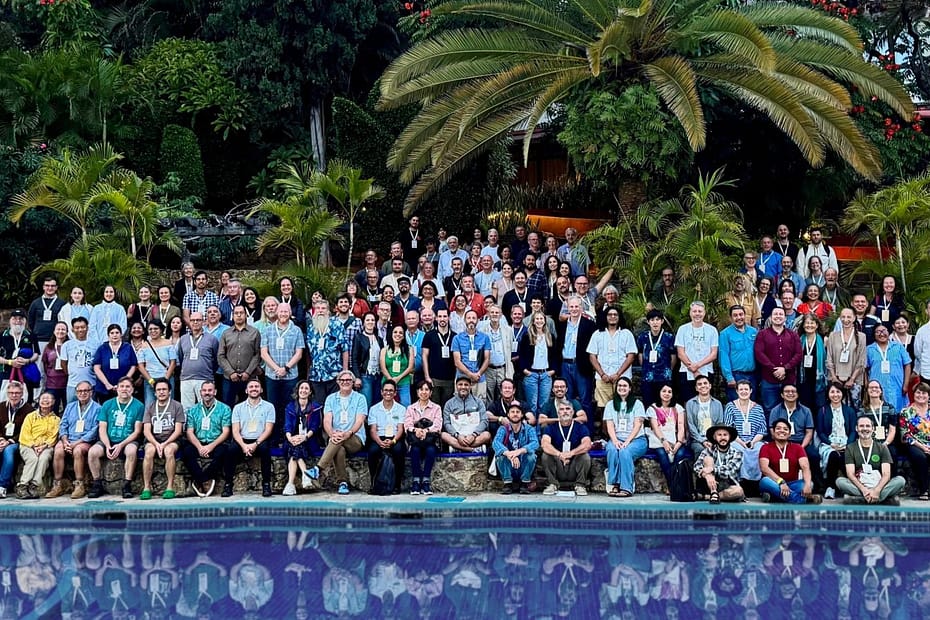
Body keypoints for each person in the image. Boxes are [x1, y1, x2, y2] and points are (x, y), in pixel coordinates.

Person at [306, 370, 368, 495]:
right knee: (339, 449)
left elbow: (360, 420)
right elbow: (327, 421)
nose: (345, 382)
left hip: (354, 437)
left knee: (339, 441)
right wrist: (332, 434)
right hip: (336, 437)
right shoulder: (331, 398)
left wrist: (348, 433)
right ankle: (343, 483)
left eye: (348, 380)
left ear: (353, 382)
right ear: (338, 382)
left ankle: (318, 468)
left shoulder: (360, 398)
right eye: (342, 380)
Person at [87, 376, 145, 499]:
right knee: (92, 452)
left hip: (128, 439)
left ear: (133, 389)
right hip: (108, 439)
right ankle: (97, 483)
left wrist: (120, 445)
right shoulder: (108, 404)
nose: (124, 389)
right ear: (117, 389)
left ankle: (127, 484)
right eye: (122, 386)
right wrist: (108, 446)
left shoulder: (139, 406)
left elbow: (137, 431)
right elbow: (102, 428)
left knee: (131, 451)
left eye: (128, 386)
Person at [180, 381, 235, 497]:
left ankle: (201, 479)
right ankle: (205, 479)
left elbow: (226, 432)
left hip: (216, 443)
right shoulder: (193, 410)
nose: (207, 393)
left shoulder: (224, 409)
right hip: (198, 443)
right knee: (186, 452)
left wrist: (210, 446)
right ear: (200, 393)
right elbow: (189, 432)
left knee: (224, 452)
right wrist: (200, 447)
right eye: (204, 390)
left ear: (215, 392)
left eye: (210, 390)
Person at [45, 380, 99, 499]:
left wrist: (77, 443)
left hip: (84, 441)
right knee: (58, 449)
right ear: (76, 393)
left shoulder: (97, 408)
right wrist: (64, 440)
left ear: (91, 392)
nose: (82, 393)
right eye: (80, 391)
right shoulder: (70, 406)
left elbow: (95, 429)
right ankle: (57, 484)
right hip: (68, 439)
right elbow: (63, 424)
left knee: (78, 451)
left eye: (86, 391)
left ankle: (79, 485)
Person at [836, 414, 905, 504]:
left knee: (900, 480)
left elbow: (886, 474)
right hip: (860, 485)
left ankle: (864, 498)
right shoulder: (850, 448)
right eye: (861, 426)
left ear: (873, 429)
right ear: (856, 428)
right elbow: (850, 474)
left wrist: (876, 490)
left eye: (868, 426)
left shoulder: (882, 448)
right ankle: (878, 498)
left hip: (878, 484)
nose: (865, 429)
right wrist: (864, 490)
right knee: (840, 481)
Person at [260, 303, 304, 442]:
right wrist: (276, 368)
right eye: (281, 311)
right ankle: (273, 436)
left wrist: (285, 368)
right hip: (271, 375)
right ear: (277, 313)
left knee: (290, 406)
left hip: (290, 375)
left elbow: (299, 353)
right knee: (273, 406)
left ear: (290, 312)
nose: (283, 314)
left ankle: (288, 435)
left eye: (286, 311)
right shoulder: (268, 330)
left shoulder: (296, 330)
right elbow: (263, 352)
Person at [587, 307, 637, 421]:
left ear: (619, 317)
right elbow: (592, 356)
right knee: (604, 409)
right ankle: (606, 435)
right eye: (610, 314)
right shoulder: (598, 334)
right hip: (602, 377)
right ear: (605, 317)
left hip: (622, 378)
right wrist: (602, 374)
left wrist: (618, 374)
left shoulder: (626, 333)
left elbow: (631, 356)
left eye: (615, 314)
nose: (612, 317)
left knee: (622, 406)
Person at [139, 378, 185, 500]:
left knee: (169, 451)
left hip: (172, 439)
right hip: (153, 439)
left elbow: (178, 430)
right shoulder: (150, 407)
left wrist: (164, 444)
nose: (161, 392)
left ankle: (170, 487)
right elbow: (146, 430)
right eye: (158, 390)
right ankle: (146, 487)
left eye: (164, 389)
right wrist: (156, 443)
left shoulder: (177, 406)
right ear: (154, 393)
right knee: (148, 452)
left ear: (170, 391)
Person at [758, 418, 822, 504]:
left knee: (809, 484)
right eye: (778, 428)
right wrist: (781, 482)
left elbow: (805, 467)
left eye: (785, 429)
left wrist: (807, 485)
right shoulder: (766, 447)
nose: (782, 431)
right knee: (765, 481)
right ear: (773, 432)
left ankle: (775, 497)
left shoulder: (797, 448)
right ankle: (803, 500)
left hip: (792, 484)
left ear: (789, 434)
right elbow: (764, 468)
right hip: (773, 482)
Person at [603, 377, 648, 498]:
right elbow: (610, 426)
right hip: (617, 438)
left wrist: (627, 441)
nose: (622, 388)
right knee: (612, 449)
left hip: (636, 440)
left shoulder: (637, 404)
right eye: (619, 386)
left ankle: (627, 487)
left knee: (624, 452)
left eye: (625, 386)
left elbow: (638, 425)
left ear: (630, 388)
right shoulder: (610, 405)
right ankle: (614, 483)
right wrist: (615, 440)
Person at [231, 378, 276, 497]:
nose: (254, 389)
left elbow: (268, 429)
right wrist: (244, 446)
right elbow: (235, 431)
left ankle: (266, 485)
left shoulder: (269, 407)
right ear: (246, 390)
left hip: (260, 439)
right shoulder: (238, 407)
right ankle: (228, 485)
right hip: (243, 439)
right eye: (251, 387)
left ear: (261, 390)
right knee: (230, 450)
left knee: (265, 450)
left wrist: (255, 444)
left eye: (256, 386)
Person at [556, 296, 597, 426]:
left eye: (576, 306)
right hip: (564, 365)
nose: (574, 309)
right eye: (571, 306)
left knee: (585, 400)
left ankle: (587, 433)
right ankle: (570, 430)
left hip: (581, 365)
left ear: (581, 308)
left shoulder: (589, 325)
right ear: (568, 308)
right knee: (567, 400)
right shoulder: (562, 325)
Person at [754, 306, 802, 413]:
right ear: (771, 318)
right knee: (769, 409)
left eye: (781, 314)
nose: (778, 317)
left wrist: (785, 368)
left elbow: (798, 354)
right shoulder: (762, 334)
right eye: (775, 314)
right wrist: (774, 369)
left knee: (789, 409)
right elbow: (759, 353)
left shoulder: (793, 335)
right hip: (768, 379)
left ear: (785, 318)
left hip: (788, 379)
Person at [540, 400, 592, 496]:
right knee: (546, 455)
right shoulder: (550, 427)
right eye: (562, 409)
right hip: (558, 464)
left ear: (573, 412)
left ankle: (580, 485)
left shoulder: (581, 427)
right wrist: (559, 454)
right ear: (558, 413)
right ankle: (553, 484)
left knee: (585, 456)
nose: (565, 411)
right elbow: (545, 444)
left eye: (568, 409)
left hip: (573, 464)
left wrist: (571, 453)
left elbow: (587, 444)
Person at [816, 382, 857, 500]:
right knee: (833, 456)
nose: (835, 395)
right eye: (832, 392)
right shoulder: (822, 410)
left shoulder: (849, 411)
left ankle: (849, 487)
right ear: (828, 394)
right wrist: (831, 445)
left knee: (845, 457)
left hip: (846, 443)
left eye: (838, 392)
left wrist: (848, 445)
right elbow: (820, 431)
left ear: (842, 394)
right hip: (829, 443)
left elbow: (853, 431)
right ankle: (830, 487)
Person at [723, 379, 767, 491]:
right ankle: (742, 483)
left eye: (746, 389)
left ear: (751, 391)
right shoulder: (730, 406)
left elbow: (762, 430)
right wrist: (742, 442)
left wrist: (752, 442)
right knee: (739, 450)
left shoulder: (758, 408)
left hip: (754, 440)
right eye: (741, 389)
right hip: (736, 439)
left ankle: (756, 483)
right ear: (737, 391)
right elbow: (729, 429)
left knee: (759, 449)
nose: (744, 391)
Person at [13, 391, 57, 499]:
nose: (45, 400)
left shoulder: (56, 419)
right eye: (43, 398)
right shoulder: (30, 416)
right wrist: (34, 446)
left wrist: (43, 446)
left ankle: (34, 485)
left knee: (44, 458)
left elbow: (54, 436)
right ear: (38, 401)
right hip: (28, 444)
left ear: (53, 402)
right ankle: (22, 486)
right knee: (32, 458)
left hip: (46, 446)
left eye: (48, 398)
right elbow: (24, 434)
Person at [644, 384, 689, 487]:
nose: (667, 394)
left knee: (680, 454)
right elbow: (655, 428)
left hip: (676, 439)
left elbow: (681, 426)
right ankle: (672, 484)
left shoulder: (678, 408)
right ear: (659, 393)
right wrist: (664, 441)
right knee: (662, 455)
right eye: (664, 391)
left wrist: (679, 442)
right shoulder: (653, 408)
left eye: (669, 391)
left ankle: (675, 483)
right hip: (659, 440)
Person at [282, 380, 321, 495]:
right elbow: (287, 425)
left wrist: (304, 437)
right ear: (297, 391)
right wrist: (289, 437)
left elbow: (315, 427)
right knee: (294, 446)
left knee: (295, 448)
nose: (303, 390)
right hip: (292, 439)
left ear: (310, 392)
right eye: (301, 388)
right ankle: (306, 475)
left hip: (310, 440)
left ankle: (290, 484)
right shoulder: (290, 407)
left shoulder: (316, 407)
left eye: (306, 389)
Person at [367, 379, 406, 495]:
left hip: (395, 437)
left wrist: (393, 441)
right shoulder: (374, 409)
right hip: (379, 437)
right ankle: (373, 483)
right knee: (372, 451)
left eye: (391, 391)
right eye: (385, 390)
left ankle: (397, 485)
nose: (388, 393)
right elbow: (373, 430)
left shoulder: (401, 409)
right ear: (381, 392)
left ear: (395, 393)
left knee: (399, 451)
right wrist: (380, 442)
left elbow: (400, 429)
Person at [306, 299, 350, 403]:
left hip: (334, 374)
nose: (320, 311)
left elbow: (345, 350)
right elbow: (308, 353)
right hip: (316, 375)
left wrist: (345, 371)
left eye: (323, 308)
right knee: (318, 406)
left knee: (334, 405)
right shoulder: (311, 328)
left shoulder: (337, 326)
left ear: (328, 311)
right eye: (318, 308)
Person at [217, 306, 261, 407]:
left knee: (249, 405)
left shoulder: (254, 332)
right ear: (233, 316)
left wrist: (248, 372)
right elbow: (221, 355)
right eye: (236, 313)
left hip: (249, 377)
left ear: (245, 315)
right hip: (229, 377)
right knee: (227, 406)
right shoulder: (226, 333)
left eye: (241, 313)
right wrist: (231, 372)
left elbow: (257, 354)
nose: (239, 315)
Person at [674, 301, 718, 403]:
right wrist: (692, 368)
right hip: (686, 371)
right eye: (694, 311)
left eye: (700, 311)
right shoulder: (683, 329)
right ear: (690, 313)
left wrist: (697, 366)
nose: (697, 314)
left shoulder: (712, 330)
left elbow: (713, 354)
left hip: (706, 371)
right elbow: (680, 353)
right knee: (687, 402)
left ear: (704, 313)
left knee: (706, 401)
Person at [405, 380, 442, 495]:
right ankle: (416, 481)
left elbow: (438, 424)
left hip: (430, 440)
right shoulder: (411, 408)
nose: (424, 392)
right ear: (417, 392)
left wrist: (426, 431)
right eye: (421, 389)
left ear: (431, 393)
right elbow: (407, 424)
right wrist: (416, 430)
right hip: (415, 440)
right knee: (415, 450)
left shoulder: (436, 408)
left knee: (430, 450)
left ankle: (426, 481)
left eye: (427, 390)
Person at [493, 401, 538, 495]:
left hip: (523, 464)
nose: (515, 414)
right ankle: (507, 483)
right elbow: (495, 443)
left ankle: (524, 482)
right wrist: (509, 454)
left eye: (518, 412)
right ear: (508, 415)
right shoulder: (503, 428)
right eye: (512, 412)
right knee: (500, 456)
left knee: (532, 456)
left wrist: (519, 451)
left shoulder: (529, 428)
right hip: (509, 465)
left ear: (522, 415)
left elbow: (535, 443)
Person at [177, 312, 219, 411]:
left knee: (205, 406)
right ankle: (189, 427)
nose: (195, 322)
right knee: (187, 409)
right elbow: (180, 357)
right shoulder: (183, 339)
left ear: (203, 322)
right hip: (186, 378)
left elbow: (216, 359)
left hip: (205, 378)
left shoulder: (212, 339)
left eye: (198, 320)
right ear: (189, 322)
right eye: (192, 320)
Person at [826, 307, 867, 407]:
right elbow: (829, 358)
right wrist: (834, 377)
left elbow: (861, 360)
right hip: (836, 379)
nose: (846, 320)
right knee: (837, 407)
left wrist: (852, 379)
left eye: (849, 317)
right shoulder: (833, 335)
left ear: (854, 318)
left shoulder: (861, 336)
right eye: (843, 317)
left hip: (854, 380)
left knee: (854, 409)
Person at [866, 324, 912, 411]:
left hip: (897, 387)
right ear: (874, 335)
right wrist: (867, 385)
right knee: (879, 413)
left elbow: (907, 364)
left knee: (898, 412)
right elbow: (864, 369)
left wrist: (905, 384)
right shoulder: (869, 349)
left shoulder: (898, 347)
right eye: (878, 332)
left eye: (884, 330)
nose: (881, 334)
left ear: (888, 332)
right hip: (877, 388)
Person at [694, 424, 744, 503]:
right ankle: (713, 491)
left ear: (729, 437)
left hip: (727, 485)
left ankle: (708, 496)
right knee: (708, 459)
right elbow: (696, 466)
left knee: (739, 491)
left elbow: (730, 470)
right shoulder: (708, 450)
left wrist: (712, 469)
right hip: (708, 483)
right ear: (714, 437)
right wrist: (706, 475)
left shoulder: (737, 453)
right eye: (719, 435)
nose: (722, 438)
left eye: (725, 435)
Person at [637, 309, 677, 408]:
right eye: (652, 320)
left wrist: (667, 369)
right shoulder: (643, 337)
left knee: (664, 404)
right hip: (648, 377)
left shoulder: (669, 337)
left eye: (657, 319)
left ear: (662, 321)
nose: (655, 322)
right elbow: (640, 355)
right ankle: (651, 424)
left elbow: (673, 357)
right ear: (648, 322)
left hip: (664, 376)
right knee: (649, 405)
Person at [718, 305, 758, 403]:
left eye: (741, 314)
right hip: (736, 376)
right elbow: (724, 356)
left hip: (753, 375)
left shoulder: (753, 331)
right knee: (736, 406)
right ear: (731, 318)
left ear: (745, 315)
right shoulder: (725, 334)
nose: (739, 317)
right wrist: (729, 377)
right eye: (735, 315)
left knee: (751, 405)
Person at [441, 376, 491, 453]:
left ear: (470, 386)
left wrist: (474, 435)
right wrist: (457, 436)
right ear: (456, 386)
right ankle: (473, 449)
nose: (463, 387)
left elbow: (484, 421)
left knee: (487, 435)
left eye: (466, 385)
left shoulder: (478, 402)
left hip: (474, 436)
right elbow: (447, 423)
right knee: (443, 435)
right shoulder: (449, 404)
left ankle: (457, 448)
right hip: (457, 436)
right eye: (460, 384)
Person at [0, 309, 40, 403]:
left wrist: (27, 361)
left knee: (26, 400)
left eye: (20, 319)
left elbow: (36, 354)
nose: (18, 321)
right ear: (10, 320)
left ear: (25, 321)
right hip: (6, 372)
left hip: (26, 372)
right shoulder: (2, 335)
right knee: (4, 400)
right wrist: (10, 362)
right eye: (15, 318)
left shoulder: (30, 335)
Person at [899, 382, 930, 501]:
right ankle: (924, 490)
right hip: (914, 444)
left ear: (928, 396)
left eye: (924, 393)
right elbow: (905, 435)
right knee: (920, 457)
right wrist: (923, 447)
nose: (920, 395)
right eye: (918, 392)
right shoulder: (906, 412)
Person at [92, 324, 137, 403]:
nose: (114, 335)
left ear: (121, 334)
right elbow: (96, 367)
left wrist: (123, 383)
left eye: (117, 332)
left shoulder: (128, 347)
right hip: (104, 387)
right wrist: (107, 384)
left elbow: (133, 366)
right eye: (112, 333)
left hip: (124, 388)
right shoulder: (102, 348)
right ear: (108, 335)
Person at [451, 310, 491, 401]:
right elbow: (457, 361)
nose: (471, 320)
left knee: (480, 404)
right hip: (462, 378)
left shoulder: (485, 338)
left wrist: (478, 374)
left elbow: (487, 359)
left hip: (479, 378)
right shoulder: (457, 338)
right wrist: (470, 375)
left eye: (474, 318)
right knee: (460, 405)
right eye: (469, 318)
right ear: (465, 320)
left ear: (477, 320)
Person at [137, 320, 178, 407]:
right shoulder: (144, 345)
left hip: (167, 378)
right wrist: (150, 380)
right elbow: (141, 366)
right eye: (150, 329)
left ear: (161, 330)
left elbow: (173, 362)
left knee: (168, 405)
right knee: (149, 405)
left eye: (156, 328)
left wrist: (166, 379)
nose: (153, 331)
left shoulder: (168, 343)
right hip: (150, 380)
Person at [422, 308, 457, 406]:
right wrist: (427, 376)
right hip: (434, 379)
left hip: (450, 378)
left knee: (447, 406)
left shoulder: (455, 336)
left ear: (449, 318)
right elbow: (424, 356)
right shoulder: (429, 335)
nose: (442, 319)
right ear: (436, 318)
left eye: (445, 316)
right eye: (440, 316)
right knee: (434, 406)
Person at [858, 380, 898, 465]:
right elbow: (861, 430)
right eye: (871, 387)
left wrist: (885, 444)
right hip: (868, 441)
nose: (874, 389)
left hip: (887, 442)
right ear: (867, 391)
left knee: (892, 453)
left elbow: (892, 430)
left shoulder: (889, 408)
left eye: (876, 387)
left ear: (881, 391)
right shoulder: (862, 409)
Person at [685, 375, 725, 458]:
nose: (703, 386)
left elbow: (719, 425)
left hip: (715, 439)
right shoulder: (690, 403)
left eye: (705, 383)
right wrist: (702, 441)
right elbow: (691, 426)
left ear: (710, 386)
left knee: (719, 450)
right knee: (700, 450)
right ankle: (700, 471)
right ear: (696, 388)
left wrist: (713, 440)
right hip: (696, 439)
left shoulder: (717, 404)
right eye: (699, 384)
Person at [797, 313, 827, 413]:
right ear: (803, 325)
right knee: (805, 405)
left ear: (817, 325)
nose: (809, 325)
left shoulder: (824, 340)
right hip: (803, 379)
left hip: (819, 379)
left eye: (812, 323)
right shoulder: (799, 339)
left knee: (818, 406)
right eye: (807, 323)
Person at [41, 321, 68, 411]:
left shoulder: (70, 346)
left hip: (67, 383)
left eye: (63, 329)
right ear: (54, 331)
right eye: (58, 329)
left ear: (67, 332)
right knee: (52, 410)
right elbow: (45, 363)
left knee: (67, 409)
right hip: (52, 384)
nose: (60, 331)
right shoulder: (48, 347)